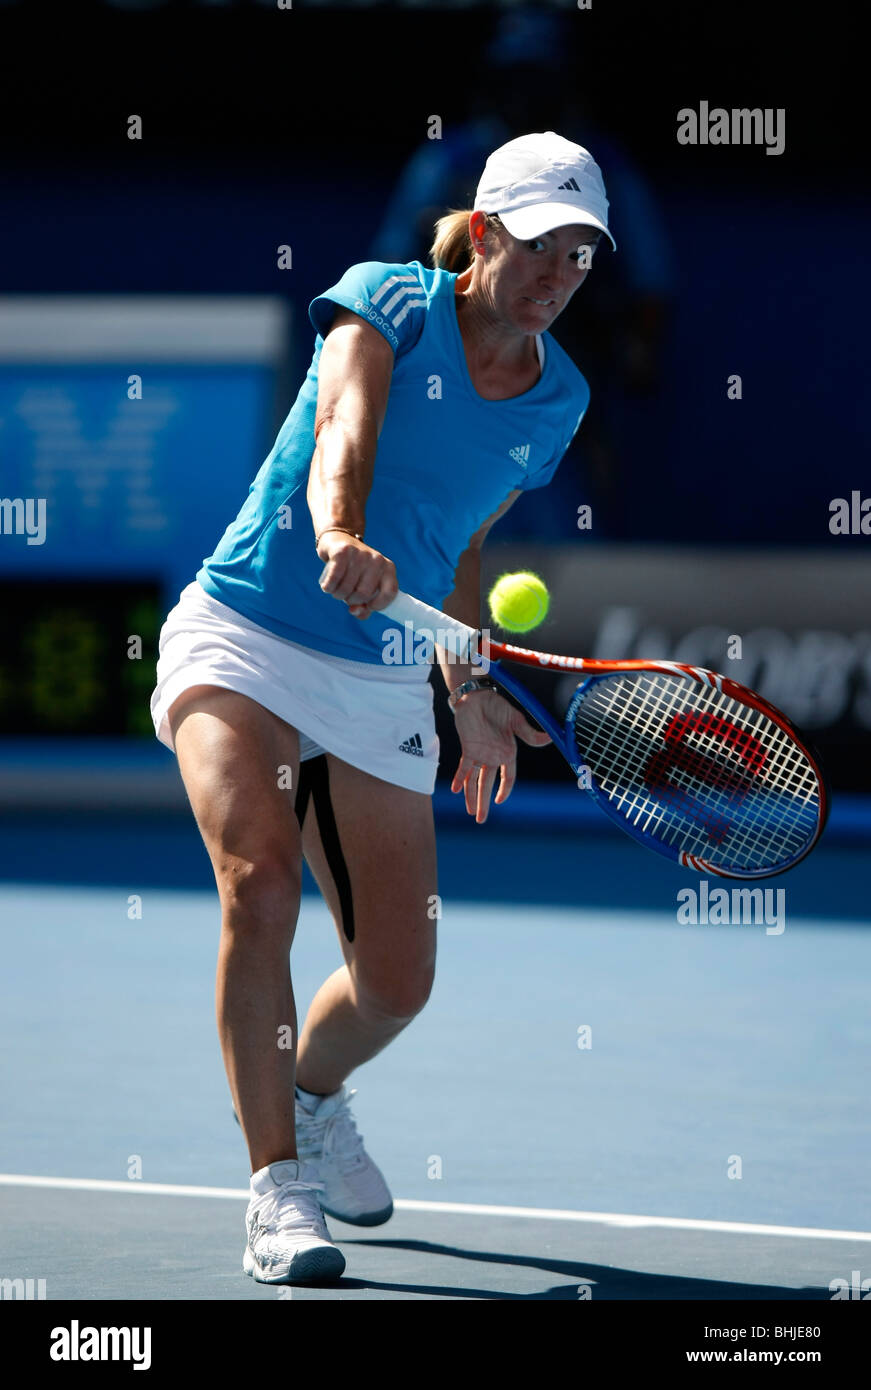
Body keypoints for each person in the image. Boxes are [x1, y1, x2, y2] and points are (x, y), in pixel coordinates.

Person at [149, 130, 615, 1286]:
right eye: (545, 248)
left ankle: (312, 1096)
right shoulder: (386, 299)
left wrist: (468, 681)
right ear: (488, 230)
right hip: (245, 632)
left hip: (378, 672)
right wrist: (340, 533)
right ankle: (275, 1189)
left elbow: (460, 534)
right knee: (257, 878)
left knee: (398, 980)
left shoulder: (558, 399)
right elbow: (344, 432)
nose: (561, 278)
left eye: (583, 259)